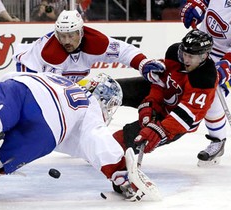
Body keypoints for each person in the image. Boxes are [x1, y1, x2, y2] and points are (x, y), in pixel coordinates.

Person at [0, 72, 160, 201]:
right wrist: (121, 174)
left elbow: (11, 79)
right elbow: (97, 140)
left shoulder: (65, 83)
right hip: (46, 128)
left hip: (22, 87)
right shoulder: (90, 107)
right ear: (106, 101)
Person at [113, 30, 218, 158]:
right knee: (110, 89)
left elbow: (186, 117)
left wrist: (159, 130)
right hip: (164, 98)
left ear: (204, 56)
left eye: (191, 56)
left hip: (175, 120)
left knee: (115, 145)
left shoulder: (205, 78)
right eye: (184, 54)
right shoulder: (174, 53)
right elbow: (160, 82)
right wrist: (150, 103)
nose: (186, 59)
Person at [13, 9, 165, 84]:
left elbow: (123, 51)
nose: (66, 41)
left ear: (81, 32)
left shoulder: (96, 43)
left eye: (71, 35)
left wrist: (142, 63)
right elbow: (46, 90)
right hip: (29, 71)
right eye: (62, 36)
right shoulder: (50, 54)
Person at [180, 0, 231, 165]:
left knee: (213, 96)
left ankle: (218, 141)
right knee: (176, 80)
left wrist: (227, 65)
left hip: (226, 56)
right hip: (202, 49)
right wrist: (197, 4)